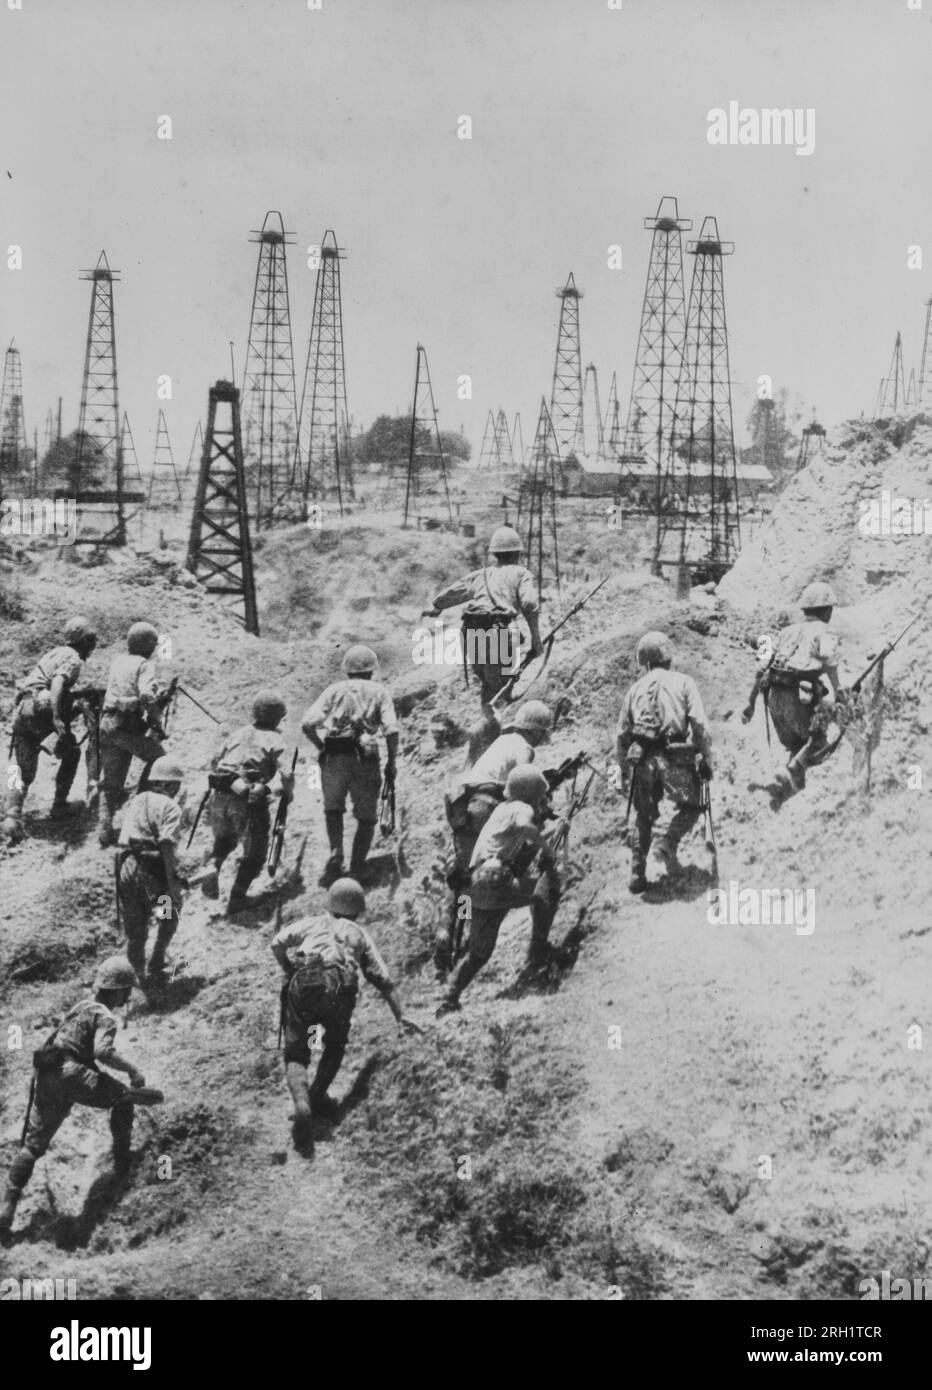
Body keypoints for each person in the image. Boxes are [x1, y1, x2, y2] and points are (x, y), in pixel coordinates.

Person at [0, 956, 161, 1240]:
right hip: (70, 1072)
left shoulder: (79, 1008)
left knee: (32, 1146)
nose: (128, 996)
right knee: (124, 1099)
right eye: (126, 990)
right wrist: (133, 1071)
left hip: (46, 1073)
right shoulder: (105, 1016)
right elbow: (102, 1052)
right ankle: (123, 1165)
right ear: (118, 989)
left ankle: (7, 1206)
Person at [271, 879, 420, 1150]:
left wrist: (289, 968)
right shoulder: (359, 933)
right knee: (335, 1045)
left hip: (305, 981)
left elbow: (277, 942)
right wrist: (401, 1016)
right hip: (341, 986)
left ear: (329, 903)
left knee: (297, 1053)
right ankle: (317, 1096)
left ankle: (302, 1102)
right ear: (358, 910)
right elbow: (382, 978)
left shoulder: (313, 923)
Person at [436, 700, 553, 975]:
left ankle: (446, 932)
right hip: (485, 806)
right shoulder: (525, 748)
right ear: (536, 731)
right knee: (485, 872)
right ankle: (473, 932)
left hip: (463, 806)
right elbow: (520, 785)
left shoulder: (502, 741)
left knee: (463, 876)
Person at [437, 765, 562, 1014]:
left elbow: (519, 844)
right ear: (531, 794)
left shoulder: (501, 811)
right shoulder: (521, 808)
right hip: (495, 880)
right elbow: (527, 828)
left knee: (479, 954)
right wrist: (549, 847)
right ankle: (539, 950)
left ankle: (450, 996)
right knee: (545, 889)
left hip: (476, 887)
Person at [616, 631, 713, 893]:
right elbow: (700, 724)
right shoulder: (683, 681)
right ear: (669, 657)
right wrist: (706, 758)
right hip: (674, 759)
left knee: (643, 817)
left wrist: (624, 773)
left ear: (644, 662)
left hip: (642, 761)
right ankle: (666, 843)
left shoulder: (634, 690)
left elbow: (622, 735)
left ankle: (637, 873)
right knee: (694, 805)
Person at [301, 645, 399, 886]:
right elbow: (392, 729)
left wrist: (321, 748)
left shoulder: (333, 690)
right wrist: (392, 762)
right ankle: (357, 866)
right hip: (365, 758)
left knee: (333, 810)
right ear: (371, 670)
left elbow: (307, 724)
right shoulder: (379, 691)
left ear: (346, 670)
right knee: (366, 817)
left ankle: (336, 853)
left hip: (334, 755)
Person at [742, 581, 844, 805]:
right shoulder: (826, 632)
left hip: (774, 700)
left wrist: (750, 704)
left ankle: (790, 783)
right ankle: (795, 770)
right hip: (799, 699)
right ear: (828, 610)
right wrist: (841, 698)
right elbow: (831, 667)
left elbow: (761, 669)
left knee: (796, 744)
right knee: (818, 742)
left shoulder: (785, 632)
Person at [423, 526, 544, 712]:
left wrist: (437, 606)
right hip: (499, 634)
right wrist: (536, 641)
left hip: (472, 633)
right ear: (517, 553)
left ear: (494, 553)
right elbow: (529, 604)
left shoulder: (482, 574)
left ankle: (486, 724)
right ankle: (496, 728)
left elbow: (456, 591)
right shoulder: (521, 574)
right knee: (502, 685)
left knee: (488, 683)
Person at [2, 615, 98, 842]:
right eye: (91, 640)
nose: (93, 645)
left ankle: (11, 817)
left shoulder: (54, 653)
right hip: (41, 712)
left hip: (23, 711)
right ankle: (59, 806)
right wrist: (57, 718)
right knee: (72, 752)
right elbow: (57, 683)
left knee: (23, 772)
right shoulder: (73, 658)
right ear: (83, 641)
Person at [201, 690, 294, 915]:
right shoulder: (275, 739)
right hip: (247, 799)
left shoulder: (237, 734)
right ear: (278, 717)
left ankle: (212, 867)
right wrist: (282, 791)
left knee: (224, 840)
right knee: (256, 853)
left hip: (220, 793)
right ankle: (237, 898)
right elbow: (287, 773)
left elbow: (214, 761)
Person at [97, 621, 172, 847]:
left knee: (111, 783)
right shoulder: (144, 664)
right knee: (160, 761)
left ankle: (104, 829)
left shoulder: (118, 661)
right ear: (148, 644)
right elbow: (147, 696)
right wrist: (158, 722)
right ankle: (138, 812)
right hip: (128, 727)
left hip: (107, 725)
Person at [115, 755, 186, 988]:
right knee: (168, 913)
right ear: (170, 785)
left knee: (135, 927)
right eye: (176, 785)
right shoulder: (171, 807)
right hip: (153, 873)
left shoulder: (138, 799)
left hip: (126, 868)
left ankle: (137, 977)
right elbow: (166, 845)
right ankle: (156, 961)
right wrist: (172, 885)